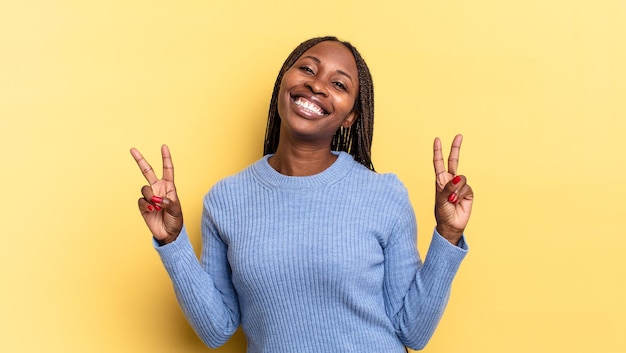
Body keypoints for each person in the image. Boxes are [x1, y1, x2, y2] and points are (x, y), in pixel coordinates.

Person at [130, 36, 473, 353]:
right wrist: (173, 242)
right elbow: (217, 329)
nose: (317, 84)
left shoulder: (383, 195)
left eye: (338, 84)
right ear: (284, 82)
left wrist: (448, 234)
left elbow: (413, 331)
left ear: (351, 115)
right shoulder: (226, 200)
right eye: (307, 69)